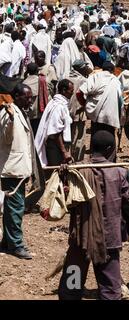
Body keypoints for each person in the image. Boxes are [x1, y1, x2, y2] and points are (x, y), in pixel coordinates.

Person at [57, 130, 129, 300]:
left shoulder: (78, 170)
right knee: (110, 289)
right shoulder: (118, 173)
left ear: (91, 147)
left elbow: (64, 196)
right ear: (110, 150)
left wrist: (64, 173)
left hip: (81, 238)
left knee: (71, 286)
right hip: (108, 241)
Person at [0, 84, 42, 259]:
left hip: (19, 168)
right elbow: (5, 136)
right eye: (27, 97)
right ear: (16, 96)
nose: (30, 100)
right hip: (12, 170)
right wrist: (10, 120)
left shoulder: (20, 112)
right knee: (16, 209)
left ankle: (7, 242)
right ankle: (16, 245)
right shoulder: (7, 114)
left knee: (12, 209)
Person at [78, 61, 123, 161]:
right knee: (110, 138)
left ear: (103, 69)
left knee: (96, 138)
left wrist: (85, 105)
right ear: (112, 71)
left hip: (96, 117)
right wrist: (119, 117)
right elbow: (121, 101)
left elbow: (79, 92)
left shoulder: (95, 77)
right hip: (111, 118)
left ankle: (95, 161)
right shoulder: (116, 81)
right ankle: (110, 162)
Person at [35, 79, 74, 167]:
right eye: (71, 91)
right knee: (55, 172)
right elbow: (56, 131)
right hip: (55, 146)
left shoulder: (57, 103)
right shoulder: (58, 106)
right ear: (64, 90)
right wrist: (64, 152)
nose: (72, 93)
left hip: (58, 145)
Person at [67, 60, 92, 162]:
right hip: (79, 113)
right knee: (79, 137)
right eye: (84, 67)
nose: (86, 69)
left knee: (68, 136)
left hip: (66, 113)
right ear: (79, 69)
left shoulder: (64, 78)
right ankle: (76, 160)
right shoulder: (83, 80)